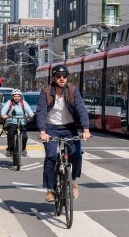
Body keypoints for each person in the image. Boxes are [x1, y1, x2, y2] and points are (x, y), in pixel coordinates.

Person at [36, 64, 91, 202]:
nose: (62, 78)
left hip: (69, 127)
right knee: (51, 156)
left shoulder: (73, 91)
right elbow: (41, 112)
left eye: (64, 76)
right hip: (50, 128)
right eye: (58, 76)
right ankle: (50, 190)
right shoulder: (46, 91)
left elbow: (81, 109)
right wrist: (42, 131)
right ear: (53, 77)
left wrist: (86, 129)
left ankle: (72, 181)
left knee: (77, 153)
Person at [1, 89, 34, 157]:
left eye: (18, 96)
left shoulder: (23, 103)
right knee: (10, 133)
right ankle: (10, 149)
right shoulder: (9, 103)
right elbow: (3, 110)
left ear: (20, 97)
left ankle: (23, 148)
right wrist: (3, 115)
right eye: (15, 96)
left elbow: (29, 111)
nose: (16, 98)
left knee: (25, 137)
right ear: (12, 97)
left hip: (21, 122)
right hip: (12, 122)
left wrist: (31, 115)